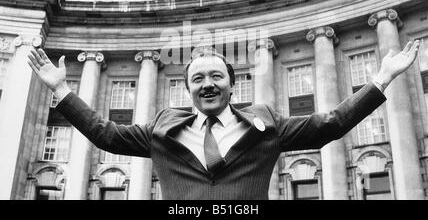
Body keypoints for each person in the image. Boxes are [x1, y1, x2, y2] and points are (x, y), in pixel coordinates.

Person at [27, 40, 420, 200]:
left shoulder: (265, 123)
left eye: (217, 77)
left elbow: (330, 124)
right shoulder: (162, 129)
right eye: (198, 79)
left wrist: (381, 77)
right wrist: (61, 91)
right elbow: (104, 134)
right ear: (188, 89)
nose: (207, 84)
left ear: (233, 86)